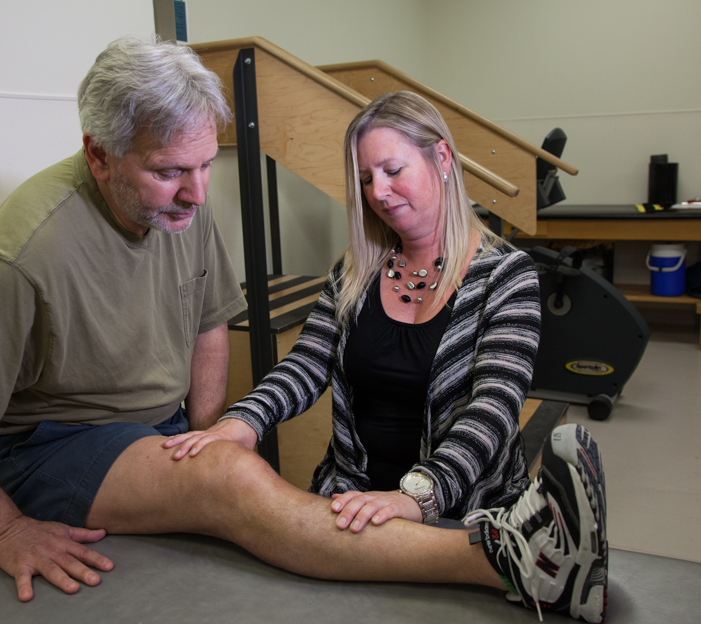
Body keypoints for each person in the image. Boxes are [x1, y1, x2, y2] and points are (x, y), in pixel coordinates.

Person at [0, 38, 607, 623]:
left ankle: (500, 540)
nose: (195, 192)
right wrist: (6, 529)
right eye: (169, 171)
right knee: (230, 481)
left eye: (203, 165)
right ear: (99, 153)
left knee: (227, 480)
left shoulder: (502, 276)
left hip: (406, 483)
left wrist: (208, 428)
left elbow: (211, 321)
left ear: (443, 162)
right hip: (52, 442)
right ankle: (511, 560)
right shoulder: (17, 261)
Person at [167, 91, 540, 534]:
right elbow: (306, 366)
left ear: (441, 156)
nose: (378, 192)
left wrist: (418, 495)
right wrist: (243, 421)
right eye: (366, 178)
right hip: (353, 503)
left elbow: (493, 409)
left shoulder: (508, 278)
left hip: (468, 515)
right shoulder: (356, 270)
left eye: (393, 170)